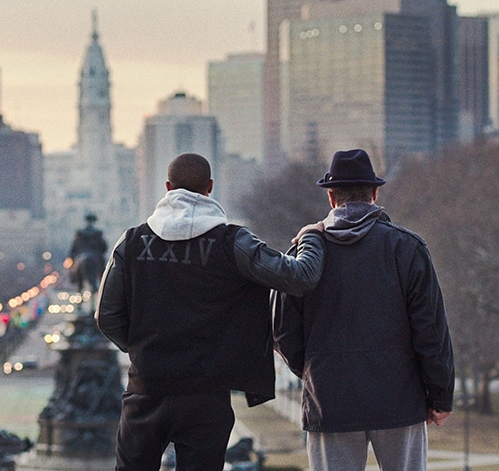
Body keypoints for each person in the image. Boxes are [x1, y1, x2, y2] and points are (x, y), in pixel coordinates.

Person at [95, 152, 325, 471]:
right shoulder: (233, 242)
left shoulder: (132, 242)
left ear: (167, 187)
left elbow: (106, 316)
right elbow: (301, 277)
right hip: (206, 393)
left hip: (147, 387)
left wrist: (142, 349)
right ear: (210, 187)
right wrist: (312, 235)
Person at [273, 148, 455, 471]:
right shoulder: (408, 249)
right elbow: (431, 331)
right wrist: (440, 396)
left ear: (331, 198)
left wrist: (317, 369)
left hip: (330, 404)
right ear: (374, 193)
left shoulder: (302, 254)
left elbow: (283, 330)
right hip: (400, 401)